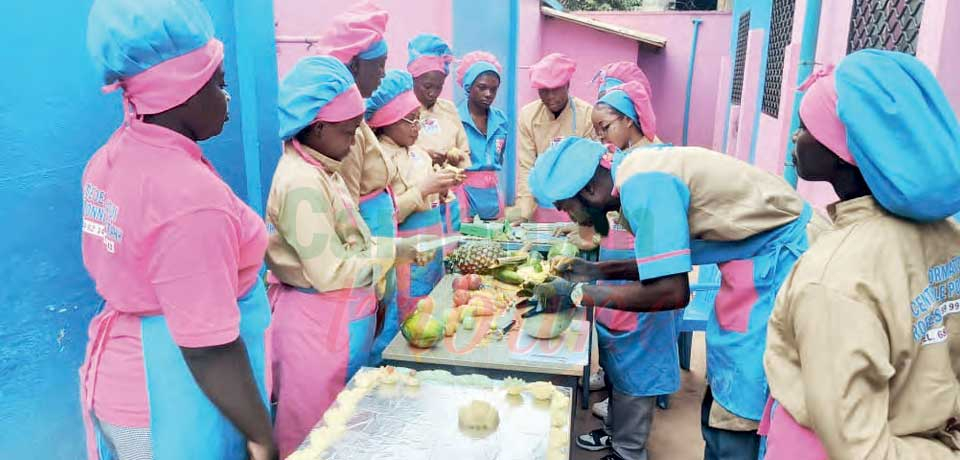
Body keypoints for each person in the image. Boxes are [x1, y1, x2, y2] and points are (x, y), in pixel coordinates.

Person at [528, 132, 828, 460]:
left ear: (589, 190)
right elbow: (659, 263)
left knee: (745, 389)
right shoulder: (634, 172)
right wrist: (597, 272)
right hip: (755, 257)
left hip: (782, 259)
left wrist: (578, 293)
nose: (567, 216)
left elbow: (671, 291)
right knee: (730, 376)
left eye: (566, 207)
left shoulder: (643, 186)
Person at [80, 0, 275, 458]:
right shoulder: (188, 198)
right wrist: (261, 433)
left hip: (120, 380)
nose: (227, 98)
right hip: (173, 396)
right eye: (219, 84)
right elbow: (208, 348)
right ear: (183, 91)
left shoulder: (111, 158)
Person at [762, 50, 960, 460]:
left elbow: (860, 448)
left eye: (804, 127)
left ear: (843, 149)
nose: (795, 138)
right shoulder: (948, 238)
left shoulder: (835, 276)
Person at [266, 56, 433, 457]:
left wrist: (399, 249)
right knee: (314, 437)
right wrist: (390, 255)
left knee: (343, 430)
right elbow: (332, 270)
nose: (355, 139)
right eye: (349, 131)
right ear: (319, 127)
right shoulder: (301, 182)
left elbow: (349, 245)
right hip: (316, 331)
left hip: (337, 325)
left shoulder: (324, 169)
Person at [565, 78, 680, 460]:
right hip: (623, 276)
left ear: (630, 119)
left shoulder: (652, 168)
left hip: (649, 287)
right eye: (597, 130)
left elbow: (664, 272)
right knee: (616, 367)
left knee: (636, 380)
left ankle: (628, 450)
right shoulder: (622, 162)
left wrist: (592, 287)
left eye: (606, 126)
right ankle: (614, 434)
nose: (602, 137)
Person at [312, 2, 400, 365]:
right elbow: (344, 202)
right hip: (361, 235)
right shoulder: (340, 130)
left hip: (376, 231)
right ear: (352, 66)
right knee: (361, 336)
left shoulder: (356, 119)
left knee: (379, 323)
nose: (383, 74)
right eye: (378, 66)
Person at [368, 70, 456, 319]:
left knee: (432, 306)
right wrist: (424, 189)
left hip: (430, 247)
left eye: (419, 119)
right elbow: (388, 215)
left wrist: (442, 187)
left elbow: (433, 199)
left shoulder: (418, 153)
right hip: (405, 252)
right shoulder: (380, 160)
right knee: (406, 314)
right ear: (387, 121)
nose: (417, 127)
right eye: (410, 120)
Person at [510, 53, 594, 224]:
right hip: (539, 205)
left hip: (577, 205)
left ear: (567, 85)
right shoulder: (528, 115)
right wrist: (523, 213)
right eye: (543, 90)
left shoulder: (587, 115)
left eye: (555, 89)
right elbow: (526, 167)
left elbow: (589, 171)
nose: (549, 96)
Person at [408, 34, 471, 245]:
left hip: (451, 199)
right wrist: (426, 157)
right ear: (413, 79)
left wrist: (455, 159)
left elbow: (465, 152)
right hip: (420, 203)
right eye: (427, 86)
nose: (433, 93)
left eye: (439, 86)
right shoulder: (403, 114)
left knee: (451, 257)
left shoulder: (448, 109)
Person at [455, 51, 510, 221]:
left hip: (493, 194)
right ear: (468, 87)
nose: (488, 94)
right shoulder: (455, 119)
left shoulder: (501, 120)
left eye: (494, 89)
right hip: (464, 195)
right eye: (482, 87)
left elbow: (499, 156)